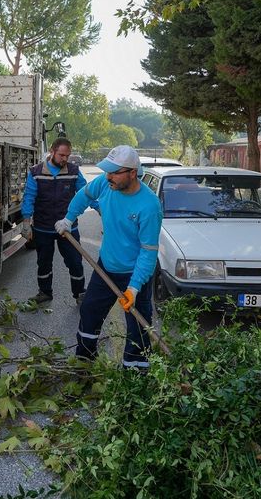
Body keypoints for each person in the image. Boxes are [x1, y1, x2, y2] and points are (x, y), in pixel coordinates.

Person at [55, 145, 162, 369]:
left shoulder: (149, 205)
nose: (109, 176)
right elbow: (83, 196)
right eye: (107, 171)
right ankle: (84, 360)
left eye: (114, 172)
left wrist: (133, 288)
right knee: (90, 310)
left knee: (138, 326)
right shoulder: (105, 184)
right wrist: (68, 218)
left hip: (135, 273)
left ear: (132, 173)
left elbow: (148, 253)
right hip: (106, 268)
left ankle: (135, 374)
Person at [21, 137, 94, 305]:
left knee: (75, 262)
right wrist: (26, 221)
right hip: (43, 228)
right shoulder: (36, 172)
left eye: (67, 156)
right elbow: (29, 197)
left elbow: (86, 194)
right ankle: (45, 292)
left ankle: (79, 293)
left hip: (67, 229)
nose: (65, 159)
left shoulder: (74, 171)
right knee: (43, 263)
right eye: (62, 155)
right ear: (52, 151)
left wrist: (101, 210)